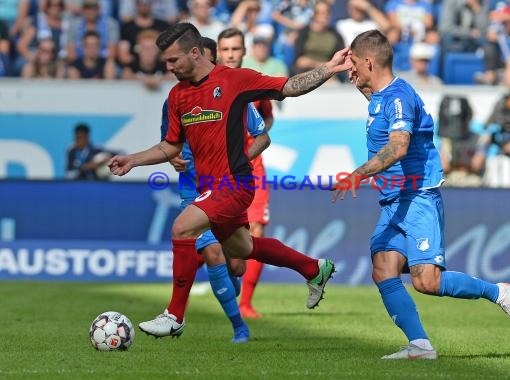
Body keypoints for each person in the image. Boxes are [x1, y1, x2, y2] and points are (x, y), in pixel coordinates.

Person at [109, 22, 350, 335]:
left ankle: (174, 315)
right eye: (165, 62)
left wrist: (329, 68)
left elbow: (288, 86)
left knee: (182, 227)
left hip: (235, 184)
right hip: (209, 189)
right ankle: (313, 268)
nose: (168, 68)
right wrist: (133, 159)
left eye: (173, 60)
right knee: (242, 249)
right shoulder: (178, 96)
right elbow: (170, 145)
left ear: (194, 53)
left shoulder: (236, 80)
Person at [333, 29, 510, 360]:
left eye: (354, 63)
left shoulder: (398, 97)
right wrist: (360, 84)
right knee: (383, 268)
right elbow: (381, 114)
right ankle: (420, 345)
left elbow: (398, 146)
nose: (351, 70)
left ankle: (498, 292)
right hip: (394, 199)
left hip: (417, 196)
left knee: (428, 282)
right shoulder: (381, 96)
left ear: (369, 60)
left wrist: (358, 174)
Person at [138, 36, 267, 343]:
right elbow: (170, 144)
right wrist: (174, 161)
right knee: (211, 253)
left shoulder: (232, 93)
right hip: (193, 192)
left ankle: (230, 285)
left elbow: (261, 137)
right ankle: (239, 327)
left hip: (226, 187)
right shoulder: (176, 98)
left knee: (235, 264)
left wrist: (240, 160)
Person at [216, 27, 273, 318]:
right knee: (223, 238)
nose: (230, 55)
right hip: (218, 171)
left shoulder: (254, 83)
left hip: (253, 169)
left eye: (235, 49)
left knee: (257, 231)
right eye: (225, 49)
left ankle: (246, 303)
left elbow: (268, 117)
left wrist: (252, 142)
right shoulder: (209, 85)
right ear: (217, 52)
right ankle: (230, 276)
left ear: (244, 51)